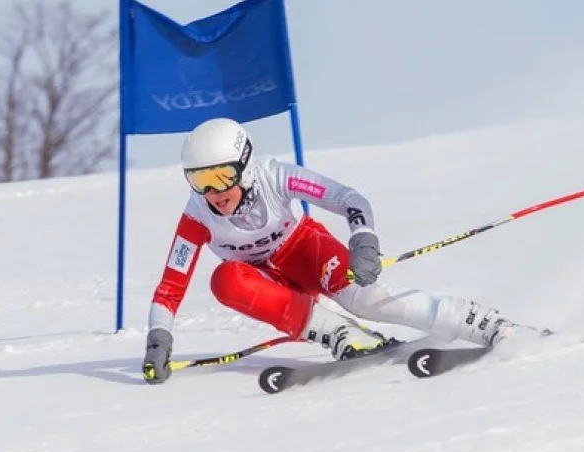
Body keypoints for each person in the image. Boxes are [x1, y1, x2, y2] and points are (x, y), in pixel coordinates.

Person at [142, 117, 508, 384]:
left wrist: (363, 238)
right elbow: (170, 288)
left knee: (368, 301)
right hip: (268, 285)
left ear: (246, 166)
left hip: (305, 252)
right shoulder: (196, 216)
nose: (214, 193)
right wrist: (159, 338)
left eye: (221, 176)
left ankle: (478, 322)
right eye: (199, 180)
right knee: (225, 280)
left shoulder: (275, 177)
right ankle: (342, 334)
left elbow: (348, 198)